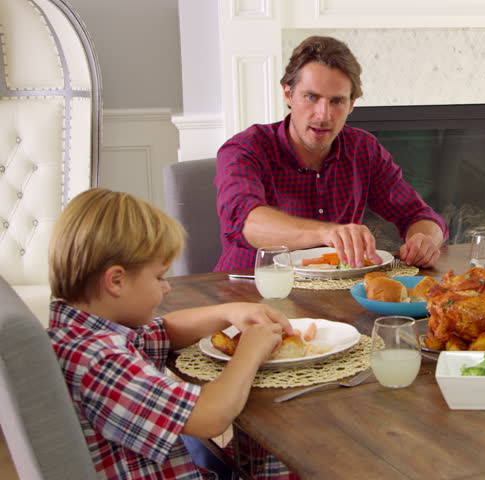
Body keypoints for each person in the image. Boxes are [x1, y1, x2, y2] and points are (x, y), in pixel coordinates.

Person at [46, 188, 301, 479]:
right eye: (159, 277)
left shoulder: (80, 336)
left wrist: (230, 312)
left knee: (267, 446)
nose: (166, 288)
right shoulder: (98, 361)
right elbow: (210, 416)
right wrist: (249, 353)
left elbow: (164, 329)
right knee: (286, 444)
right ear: (116, 281)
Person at [215, 35, 448, 271]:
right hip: (250, 286)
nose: (323, 115)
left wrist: (425, 240)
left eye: (337, 101)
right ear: (288, 94)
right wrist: (325, 232)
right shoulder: (245, 148)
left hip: (337, 288)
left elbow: (418, 214)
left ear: (352, 103)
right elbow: (244, 222)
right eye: (311, 97)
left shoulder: (363, 148)